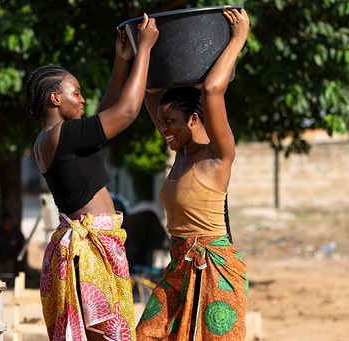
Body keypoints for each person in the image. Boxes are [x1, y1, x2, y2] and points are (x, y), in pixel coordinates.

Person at [25, 15, 159, 341]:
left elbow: (102, 118)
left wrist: (121, 60)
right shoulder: (61, 135)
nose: (82, 99)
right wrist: (145, 51)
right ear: (55, 99)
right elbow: (125, 112)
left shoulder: (51, 138)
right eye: (76, 93)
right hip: (88, 254)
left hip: (88, 249)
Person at [136, 8, 249, 341]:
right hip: (179, 265)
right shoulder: (180, 154)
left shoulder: (217, 155)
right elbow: (147, 93)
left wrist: (238, 39)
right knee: (148, 334)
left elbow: (212, 90)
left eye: (170, 123)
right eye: (161, 123)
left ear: (195, 120)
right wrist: (142, 48)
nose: (163, 130)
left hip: (214, 268)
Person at [0, 212, 26, 280]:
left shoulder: (16, 231)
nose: (8, 225)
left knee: (19, 260)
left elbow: (23, 246)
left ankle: (19, 278)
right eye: (6, 222)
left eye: (9, 222)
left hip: (13, 254)